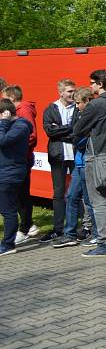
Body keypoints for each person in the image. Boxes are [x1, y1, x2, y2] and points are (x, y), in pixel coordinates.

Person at [72, 69, 106, 258]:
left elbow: (78, 129)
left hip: (98, 157)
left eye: (92, 83)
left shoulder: (96, 104)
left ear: (100, 84)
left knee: (98, 201)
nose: (90, 86)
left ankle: (103, 244)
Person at [53, 87, 96, 248]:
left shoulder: (92, 115)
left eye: (79, 103)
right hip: (79, 162)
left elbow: (81, 137)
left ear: (87, 101)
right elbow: (73, 133)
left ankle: (94, 232)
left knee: (89, 200)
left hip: (87, 162)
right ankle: (70, 234)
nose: (76, 106)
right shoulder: (80, 114)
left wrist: (74, 138)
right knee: (71, 196)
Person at [2, 85, 39, 244]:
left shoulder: (23, 112)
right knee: (17, 197)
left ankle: (26, 227)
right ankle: (26, 225)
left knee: (20, 196)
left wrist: (19, 148)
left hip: (19, 162)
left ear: (11, 98)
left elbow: (31, 136)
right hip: (14, 163)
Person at [39, 80, 75, 243]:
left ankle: (77, 228)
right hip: (57, 154)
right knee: (59, 193)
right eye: (69, 91)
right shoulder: (51, 109)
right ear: (60, 92)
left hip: (75, 155)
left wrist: (61, 129)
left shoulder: (77, 108)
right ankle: (57, 229)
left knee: (77, 192)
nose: (72, 94)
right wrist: (69, 128)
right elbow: (50, 131)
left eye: (73, 91)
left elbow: (79, 129)